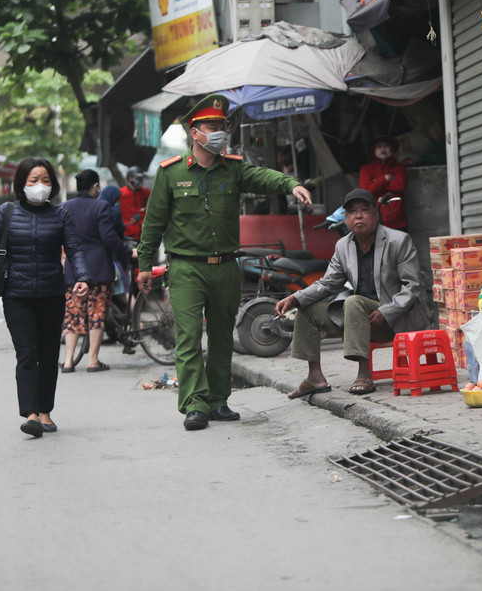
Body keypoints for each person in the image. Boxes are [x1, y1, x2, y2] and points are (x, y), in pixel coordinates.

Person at [136, 94, 313, 431]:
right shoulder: (171, 173)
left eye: (222, 126)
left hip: (226, 267)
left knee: (221, 337)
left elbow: (265, 177)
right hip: (186, 268)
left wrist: (292, 185)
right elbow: (153, 223)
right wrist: (145, 264)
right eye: (212, 126)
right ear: (194, 132)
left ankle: (218, 400)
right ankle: (194, 404)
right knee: (189, 336)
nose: (219, 132)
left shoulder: (234, 169)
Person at [0, 157, 90, 438]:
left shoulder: (60, 215)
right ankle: (31, 415)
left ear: (53, 184)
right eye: (34, 180)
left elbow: (74, 249)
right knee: (26, 354)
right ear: (21, 183)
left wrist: (82, 277)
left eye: (46, 180)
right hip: (17, 296)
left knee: (48, 355)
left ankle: (45, 411)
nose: (40, 185)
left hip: (51, 294)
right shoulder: (6, 212)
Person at [275, 188, 428, 397]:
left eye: (364, 210)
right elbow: (328, 283)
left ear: (375, 214)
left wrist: (386, 312)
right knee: (308, 308)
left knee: (354, 301)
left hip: (392, 320)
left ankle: (364, 374)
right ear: (346, 218)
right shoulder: (343, 246)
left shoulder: (398, 240)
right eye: (352, 212)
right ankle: (315, 377)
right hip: (357, 318)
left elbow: (413, 286)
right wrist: (295, 298)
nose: (358, 216)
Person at [60, 169, 135, 372]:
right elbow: (109, 238)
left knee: (73, 314)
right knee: (97, 313)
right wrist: (128, 253)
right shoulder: (100, 206)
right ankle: (93, 361)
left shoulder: (64, 207)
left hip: (73, 270)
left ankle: (68, 361)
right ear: (96, 187)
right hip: (98, 269)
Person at [359, 135, 407, 231]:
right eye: (379, 146)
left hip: (398, 221)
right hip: (375, 221)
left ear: (392, 149)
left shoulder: (399, 168)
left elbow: (400, 186)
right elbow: (367, 191)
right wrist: (386, 178)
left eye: (386, 146)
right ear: (373, 151)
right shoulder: (366, 169)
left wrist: (376, 183)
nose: (383, 149)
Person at [120, 166, 151, 241]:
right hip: (127, 236)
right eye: (137, 178)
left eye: (141, 178)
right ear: (130, 178)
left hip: (145, 236)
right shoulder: (120, 194)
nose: (140, 180)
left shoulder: (147, 193)